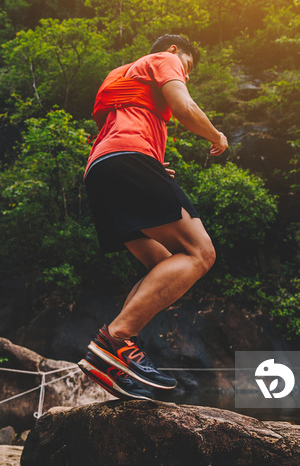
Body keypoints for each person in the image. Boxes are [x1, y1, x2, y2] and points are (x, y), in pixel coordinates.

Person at [77, 34, 228, 399]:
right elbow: (184, 106)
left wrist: (154, 164)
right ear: (174, 51)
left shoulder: (124, 74)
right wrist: (216, 135)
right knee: (200, 253)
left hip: (101, 169)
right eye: (187, 67)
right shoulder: (164, 58)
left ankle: (115, 356)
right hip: (128, 161)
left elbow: (122, 124)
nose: (185, 75)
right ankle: (115, 340)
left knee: (163, 264)